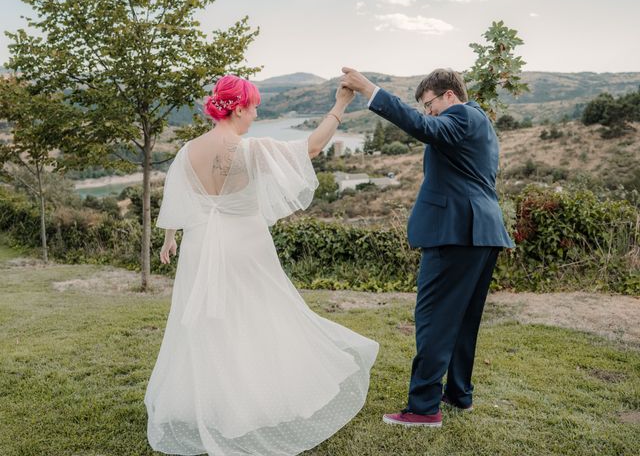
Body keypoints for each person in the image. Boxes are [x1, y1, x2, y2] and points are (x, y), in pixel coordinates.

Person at [145, 75, 379, 455]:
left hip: (201, 248)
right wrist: (340, 105)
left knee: (209, 322)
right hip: (246, 246)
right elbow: (313, 147)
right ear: (236, 108)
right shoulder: (252, 150)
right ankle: (252, 399)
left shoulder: (187, 151)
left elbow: (176, 199)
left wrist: (170, 239)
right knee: (257, 317)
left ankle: (214, 401)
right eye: (253, 107)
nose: (256, 114)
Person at [341, 67, 514, 427]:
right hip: (480, 232)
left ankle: (422, 407)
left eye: (428, 104)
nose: (427, 112)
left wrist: (370, 90)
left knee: (434, 319)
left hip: (456, 233)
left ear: (449, 95)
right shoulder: (479, 122)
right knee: (463, 320)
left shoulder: (462, 115)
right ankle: (458, 394)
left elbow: (425, 129)